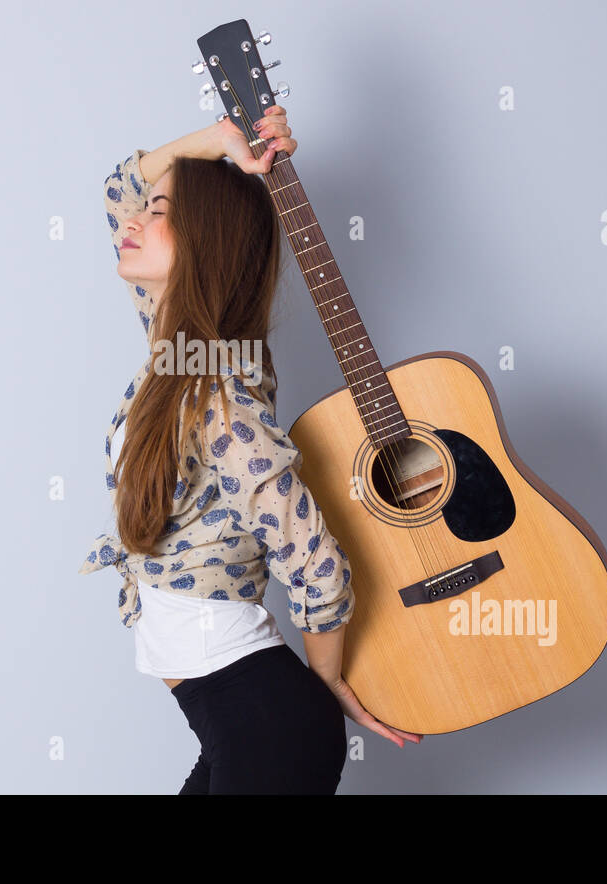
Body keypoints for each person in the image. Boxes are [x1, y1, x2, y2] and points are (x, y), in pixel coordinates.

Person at [82, 105, 422, 794]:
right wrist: (223, 141)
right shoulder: (177, 352)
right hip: (232, 721)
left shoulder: (219, 398)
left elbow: (317, 564)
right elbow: (118, 187)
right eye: (145, 211)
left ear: (208, 241)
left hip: (264, 721)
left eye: (159, 213)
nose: (133, 223)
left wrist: (326, 677)